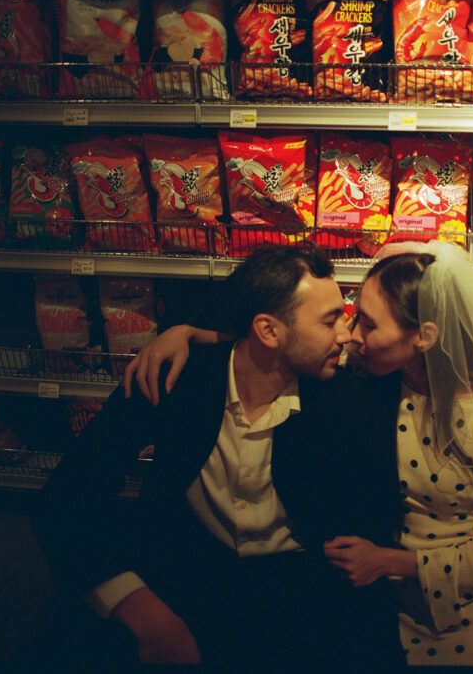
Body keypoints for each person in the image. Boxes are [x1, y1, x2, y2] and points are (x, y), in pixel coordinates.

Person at [125, 240, 473, 667]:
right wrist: (188, 333)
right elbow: (276, 340)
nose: (351, 335)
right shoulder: (379, 381)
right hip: (391, 610)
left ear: (422, 337)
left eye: (366, 322)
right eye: (349, 315)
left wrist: (388, 562)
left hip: (469, 615)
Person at [33, 243, 404, 669]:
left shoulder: (348, 407)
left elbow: (364, 536)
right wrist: (141, 611)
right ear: (268, 332)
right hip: (184, 573)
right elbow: (65, 498)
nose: (347, 334)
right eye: (330, 319)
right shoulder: (173, 376)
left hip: (298, 593)